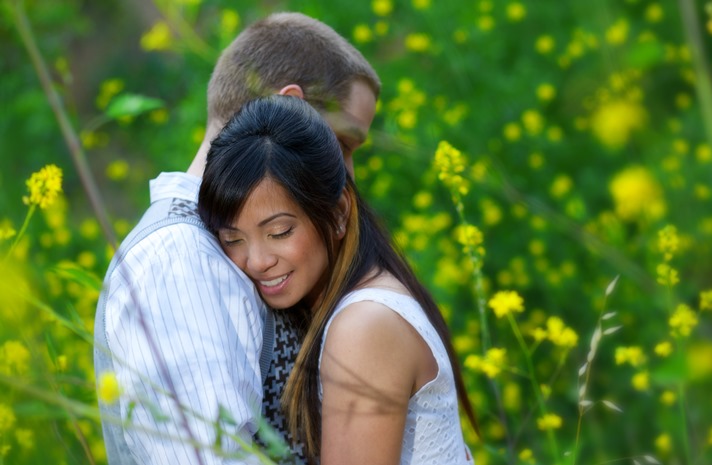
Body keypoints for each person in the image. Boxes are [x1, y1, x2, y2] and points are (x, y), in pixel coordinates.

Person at [93, 12, 380, 464]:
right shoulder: (180, 260)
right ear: (290, 109)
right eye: (343, 144)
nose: (348, 176)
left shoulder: (221, 254)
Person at [197, 95, 478, 465]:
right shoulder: (365, 299)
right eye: (233, 239)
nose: (257, 262)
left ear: (340, 211)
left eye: (280, 232)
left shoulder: (364, 326)